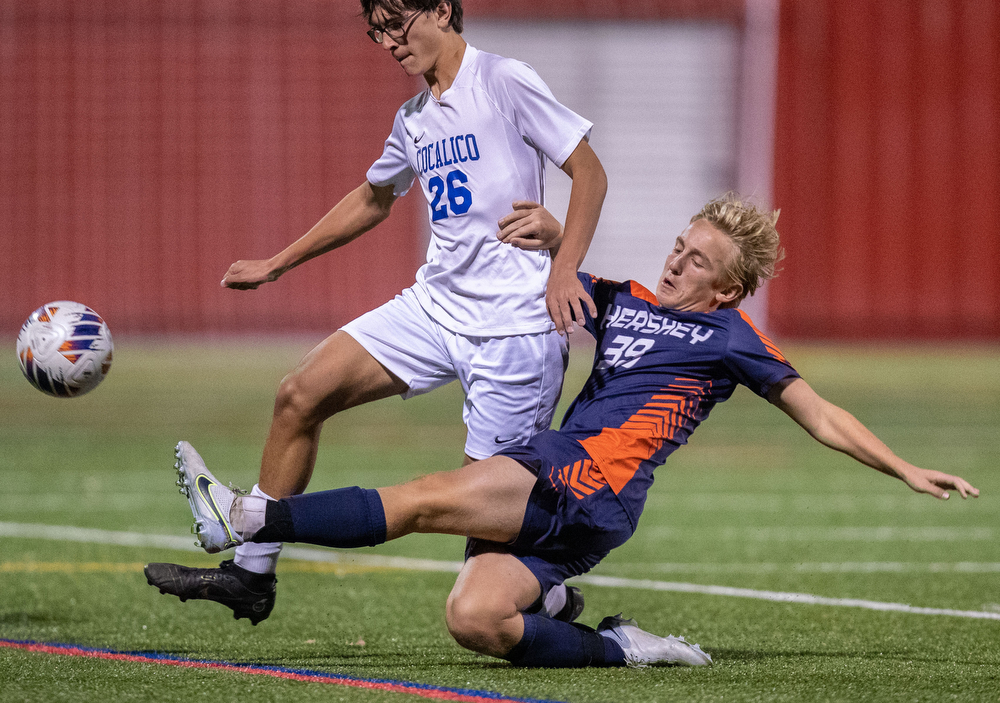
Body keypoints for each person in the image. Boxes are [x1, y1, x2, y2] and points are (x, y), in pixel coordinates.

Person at [147, 194, 978, 668]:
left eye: (697, 261)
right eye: (680, 246)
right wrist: (552, 240)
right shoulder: (624, 300)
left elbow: (820, 412)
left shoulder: (733, 337)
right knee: (475, 618)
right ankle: (623, 648)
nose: (677, 261)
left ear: (727, 289)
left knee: (429, 499)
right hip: (586, 499)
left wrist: (904, 467)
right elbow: (551, 287)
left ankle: (247, 519)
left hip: (589, 475)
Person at [144, 0, 606, 625]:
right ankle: (250, 575)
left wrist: (565, 264)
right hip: (434, 307)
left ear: (442, 11)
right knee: (300, 393)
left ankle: (554, 595)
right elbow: (372, 198)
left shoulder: (504, 81)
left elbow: (588, 171)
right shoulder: (415, 116)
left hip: (511, 333)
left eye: (397, 25)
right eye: (377, 32)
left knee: (483, 533)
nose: (388, 42)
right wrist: (278, 263)